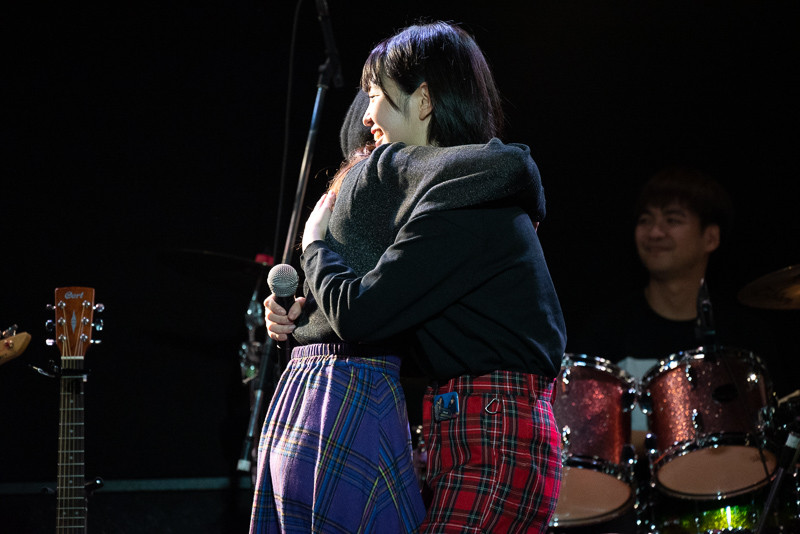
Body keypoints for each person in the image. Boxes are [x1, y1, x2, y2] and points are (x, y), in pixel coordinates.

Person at [266, 21, 566, 533]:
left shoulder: (466, 200)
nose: (366, 117)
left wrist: (315, 244)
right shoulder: (447, 196)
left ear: (423, 100)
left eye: (376, 96)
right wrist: (297, 317)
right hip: (470, 427)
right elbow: (379, 306)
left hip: (496, 433)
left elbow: (361, 313)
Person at [562, 167, 780, 533]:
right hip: (630, 515)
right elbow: (583, 439)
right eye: (645, 220)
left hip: (735, 508)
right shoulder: (605, 333)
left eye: (672, 220)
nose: (655, 232)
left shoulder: (745, 336)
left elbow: (769, 434)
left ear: (710, 237)